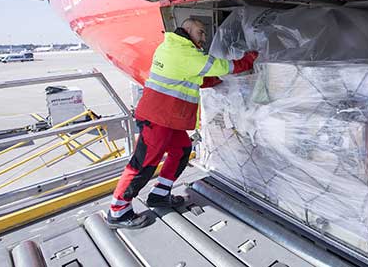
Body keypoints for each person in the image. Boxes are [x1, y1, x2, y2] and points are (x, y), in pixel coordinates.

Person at [106, 18, 258, 229]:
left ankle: (160, 195)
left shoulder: (173, 47)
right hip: (158, 119)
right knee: (142, 164)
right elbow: (222, 66)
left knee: (182, 150)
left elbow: (191, 77)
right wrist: (249, 60)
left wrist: (215, 81)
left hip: (167, 118)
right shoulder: (184, 52)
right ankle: (118, 211)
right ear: (187, 29)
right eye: (200, 32)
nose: (204, 38)